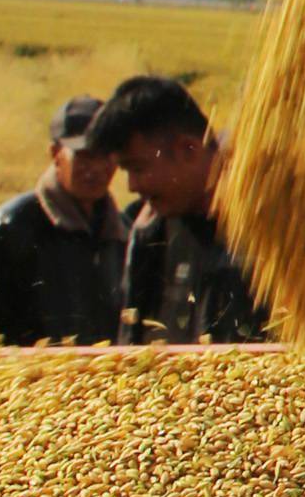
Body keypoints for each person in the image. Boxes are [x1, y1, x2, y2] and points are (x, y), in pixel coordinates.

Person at [91, 73, 270, 344]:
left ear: (188, 149)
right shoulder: (152, 234)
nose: (131, 186)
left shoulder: (276, 224)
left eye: (138, 168)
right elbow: (132, 348)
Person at [0, 96, 128, 347]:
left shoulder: (123, 233)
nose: (96, 168)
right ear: (55, 154)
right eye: (85, 156)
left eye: (105, 155)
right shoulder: (10, 227)